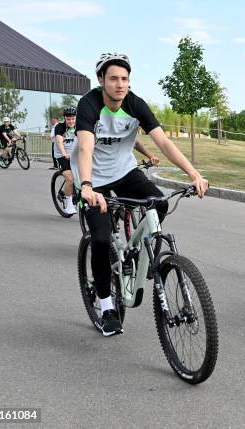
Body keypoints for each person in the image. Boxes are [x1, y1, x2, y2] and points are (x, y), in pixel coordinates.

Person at [73, 52, 208, 337]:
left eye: (124, 79)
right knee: (99, 238)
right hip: (91, 178)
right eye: (113, 79)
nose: (120, 84)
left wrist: (193, 174)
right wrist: (85, 185)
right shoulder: (89, 105)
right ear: (101, 81)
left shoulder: (135, 104)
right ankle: (108, 306)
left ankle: (138, 252)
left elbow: (163, 142)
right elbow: (85, 147)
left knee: (158, 202)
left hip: (124, 171)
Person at [53, 107, 78, 214]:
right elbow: (59, 141)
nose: (71, 121)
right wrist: (64, 154)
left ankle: (66, 192)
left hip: (75, 155)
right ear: (65, 118)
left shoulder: (79, 126)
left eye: (73, 119)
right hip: (61, 156)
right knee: (70, 178)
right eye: (68, 119)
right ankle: (69, 204)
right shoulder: (60, 127)